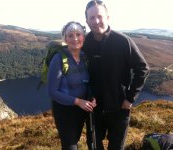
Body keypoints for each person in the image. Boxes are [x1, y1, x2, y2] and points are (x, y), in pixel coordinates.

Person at [83, 1, 149, 150]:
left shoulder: (123, 42)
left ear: (107, 17)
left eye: (99, 16)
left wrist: (130, 98)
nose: (96, 21)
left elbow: (143, 69)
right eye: (91, 17)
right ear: (86, 21)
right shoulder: (84, 43)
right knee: (93, 146)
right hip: (94, 109)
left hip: (120, 109)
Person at [48, 21, 96, 150]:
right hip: (64, 111)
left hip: (81, 109)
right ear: (65, 39)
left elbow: (88, 82)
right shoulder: (58, 59)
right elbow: (53, 91)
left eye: (78, 34)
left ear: (83, 37)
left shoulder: (84, 57)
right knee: (70, 146)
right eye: (70, 35)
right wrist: (77, 101)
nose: (75, 38)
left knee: (77, 140)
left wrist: (92, 97)